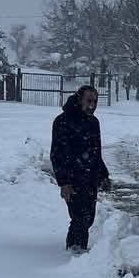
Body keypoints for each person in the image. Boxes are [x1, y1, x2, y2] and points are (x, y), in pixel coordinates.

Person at [50, 85, 111, 253]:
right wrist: (64, 182)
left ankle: (80, 250)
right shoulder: (62, 121)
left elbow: (96, 152)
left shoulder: (93, 122)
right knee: (79, 217)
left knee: (89, 217)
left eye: (95, 101)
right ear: (79, 100)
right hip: (72, 178)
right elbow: (57, 154)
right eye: (89, 101)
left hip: (90, 177)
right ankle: (74, 251)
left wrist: (103, 175)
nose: (92, 105)